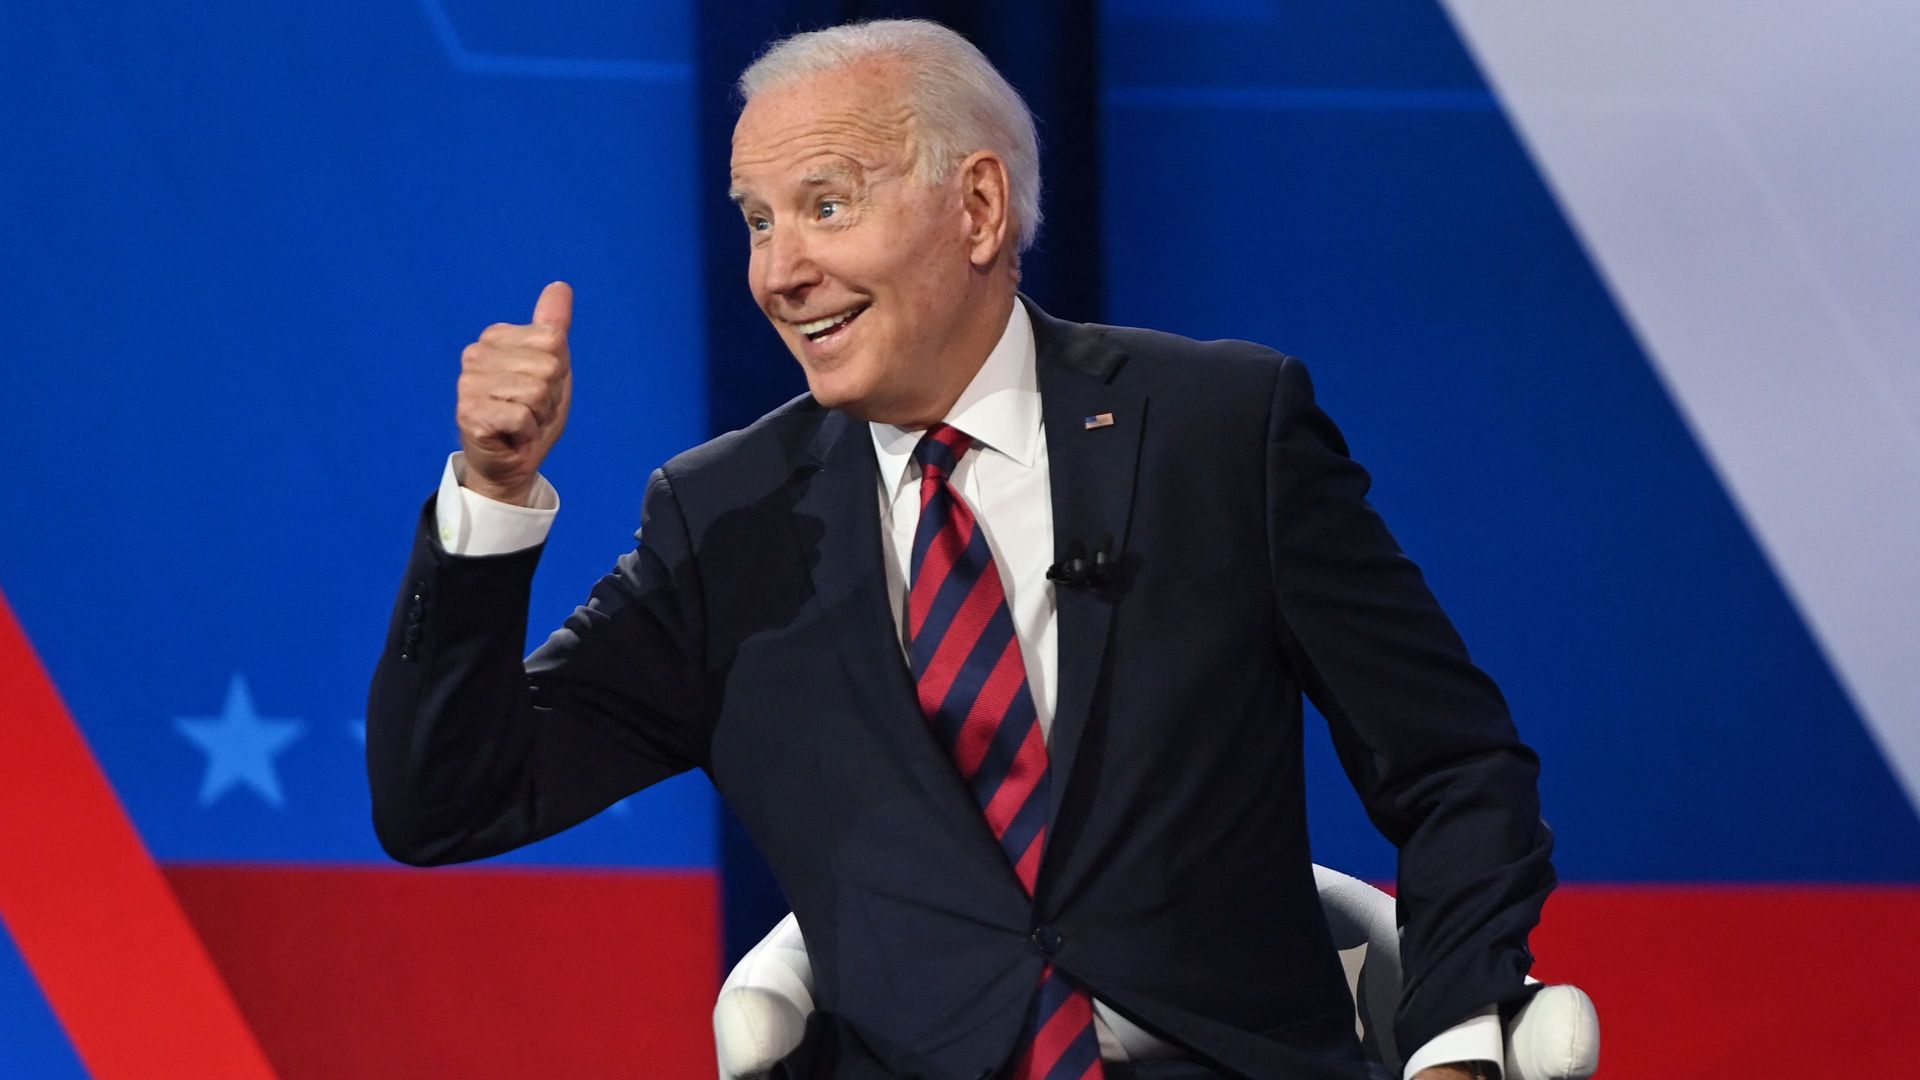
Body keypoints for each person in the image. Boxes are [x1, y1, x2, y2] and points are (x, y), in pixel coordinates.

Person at [368, 18, 1554, 1080]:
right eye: (758, 220)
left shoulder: (1216, 431)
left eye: (827, 205)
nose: (781, 271)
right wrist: (492, 495)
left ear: (978, 208)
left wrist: (1453, 1050)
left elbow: (1454, 768)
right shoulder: (727, 519)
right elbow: (449, 805)